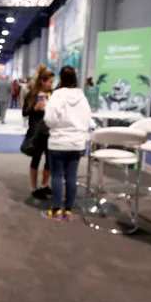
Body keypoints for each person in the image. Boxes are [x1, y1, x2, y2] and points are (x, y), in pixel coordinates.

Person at [42, 66, 91, 221]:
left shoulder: (57, 96)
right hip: (76, 143)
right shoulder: (82, 97)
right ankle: (68, 210)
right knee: (71, 177)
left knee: (56, 176)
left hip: (58, 142)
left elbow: (49, 120)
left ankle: (56, 209)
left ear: (60, 79)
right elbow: (87, 119)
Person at [23, 69, 55, 200]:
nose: (51, 84)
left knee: (49, 161)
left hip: (50, 132)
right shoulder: (32, 95)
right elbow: (24, 113)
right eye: (50, 82)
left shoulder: (53, 94)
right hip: (37, 132)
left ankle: (44, 185)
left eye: (53, 82)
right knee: (35, 159)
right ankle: (34, 187)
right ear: (42, 81)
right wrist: (34, 108)